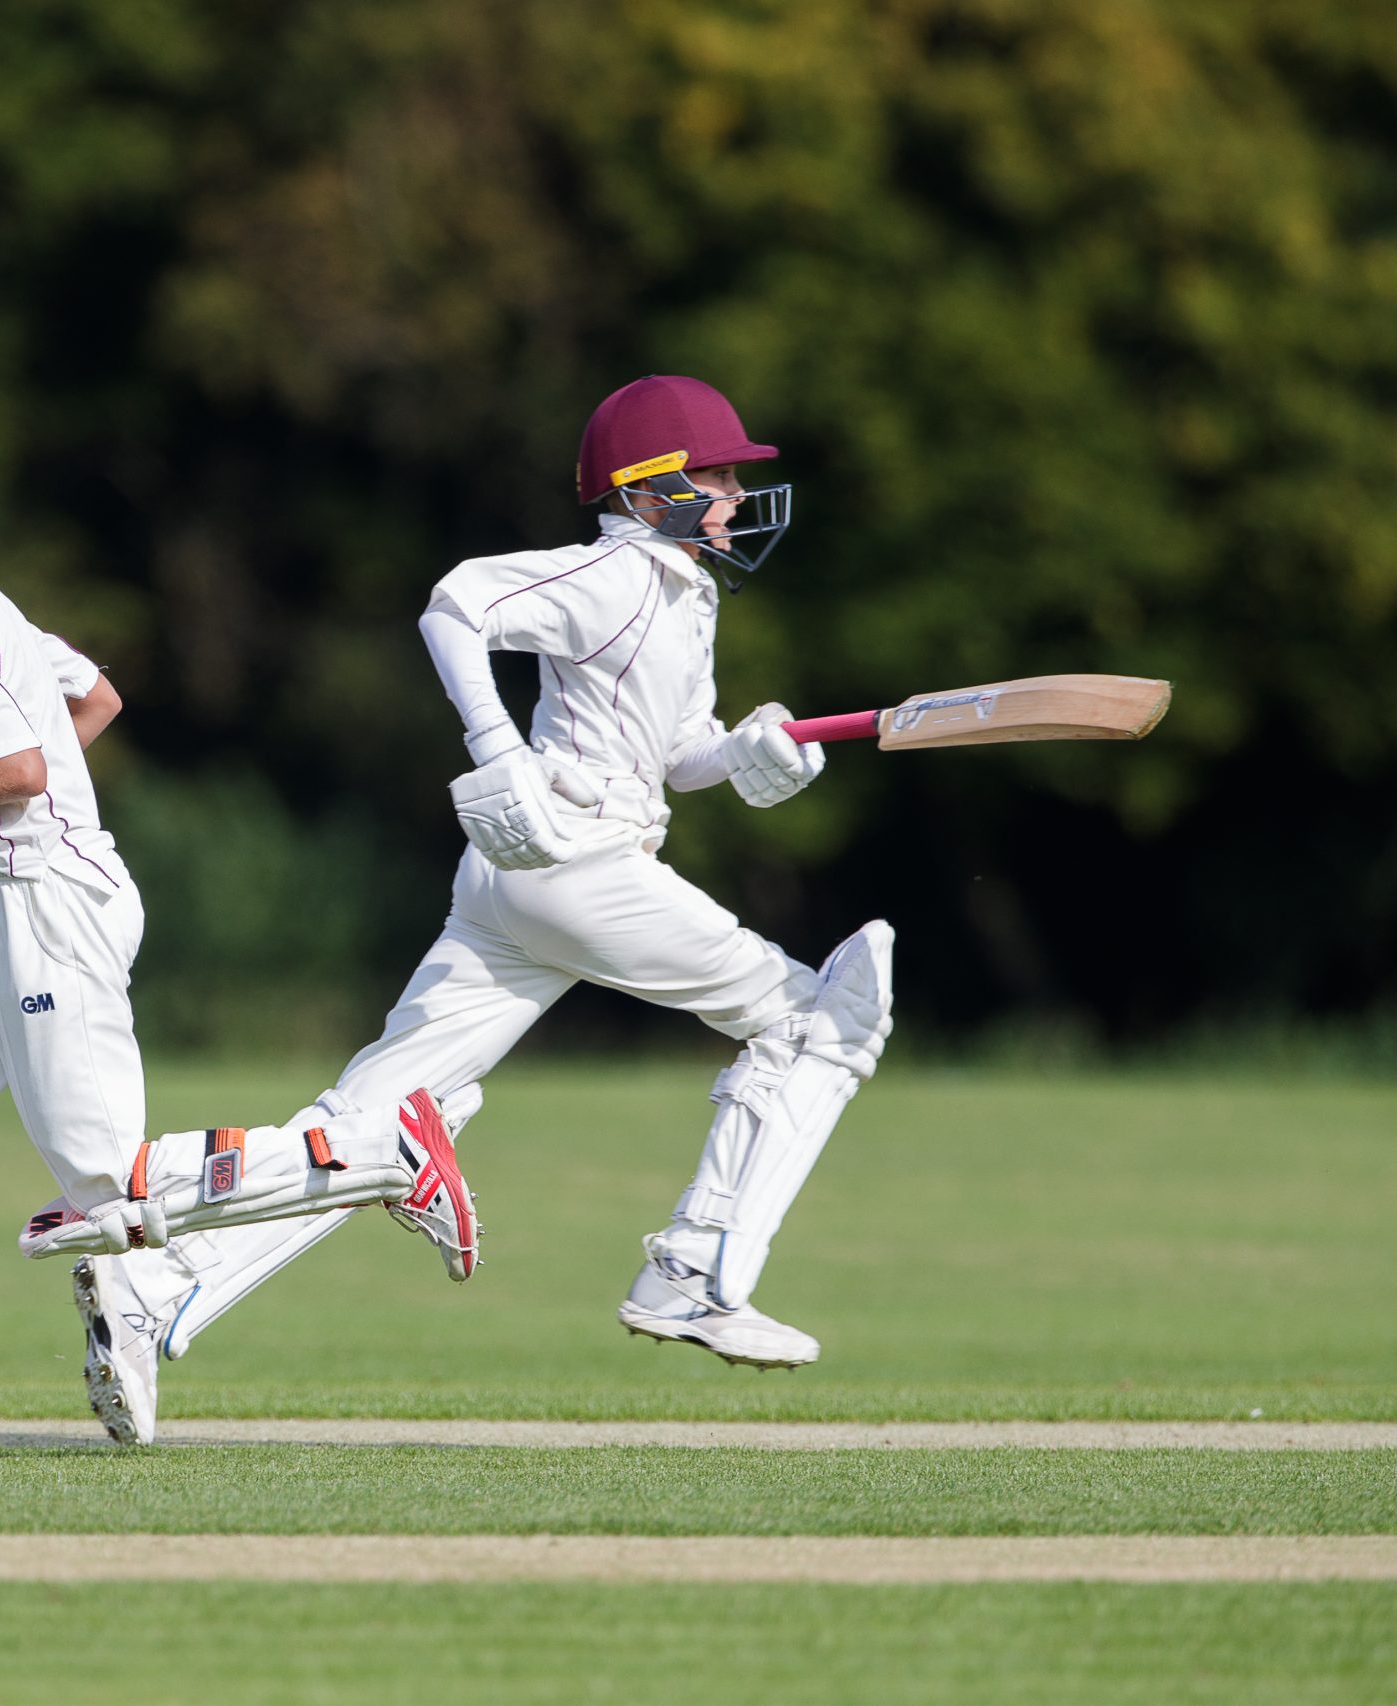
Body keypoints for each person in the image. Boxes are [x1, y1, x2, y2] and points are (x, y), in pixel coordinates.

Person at [76, 376, 893, 1444]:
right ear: (649, 487)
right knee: (821, 1018)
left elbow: (676, 751)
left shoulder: (684, 590)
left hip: (525, 882)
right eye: (721, 474)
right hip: (578, 861)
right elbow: (456, 603)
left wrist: (747, 750)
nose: (739, 494)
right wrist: (497, 747)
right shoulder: (611, 573)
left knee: (380, 1116)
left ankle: (155, 1281)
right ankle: (693, 1271)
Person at [0, 402, 477, 1464]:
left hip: (42, 900)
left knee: (110, 1191)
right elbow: (92, 698)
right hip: (6, 893)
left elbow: (24, 767)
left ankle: (381, 1148)